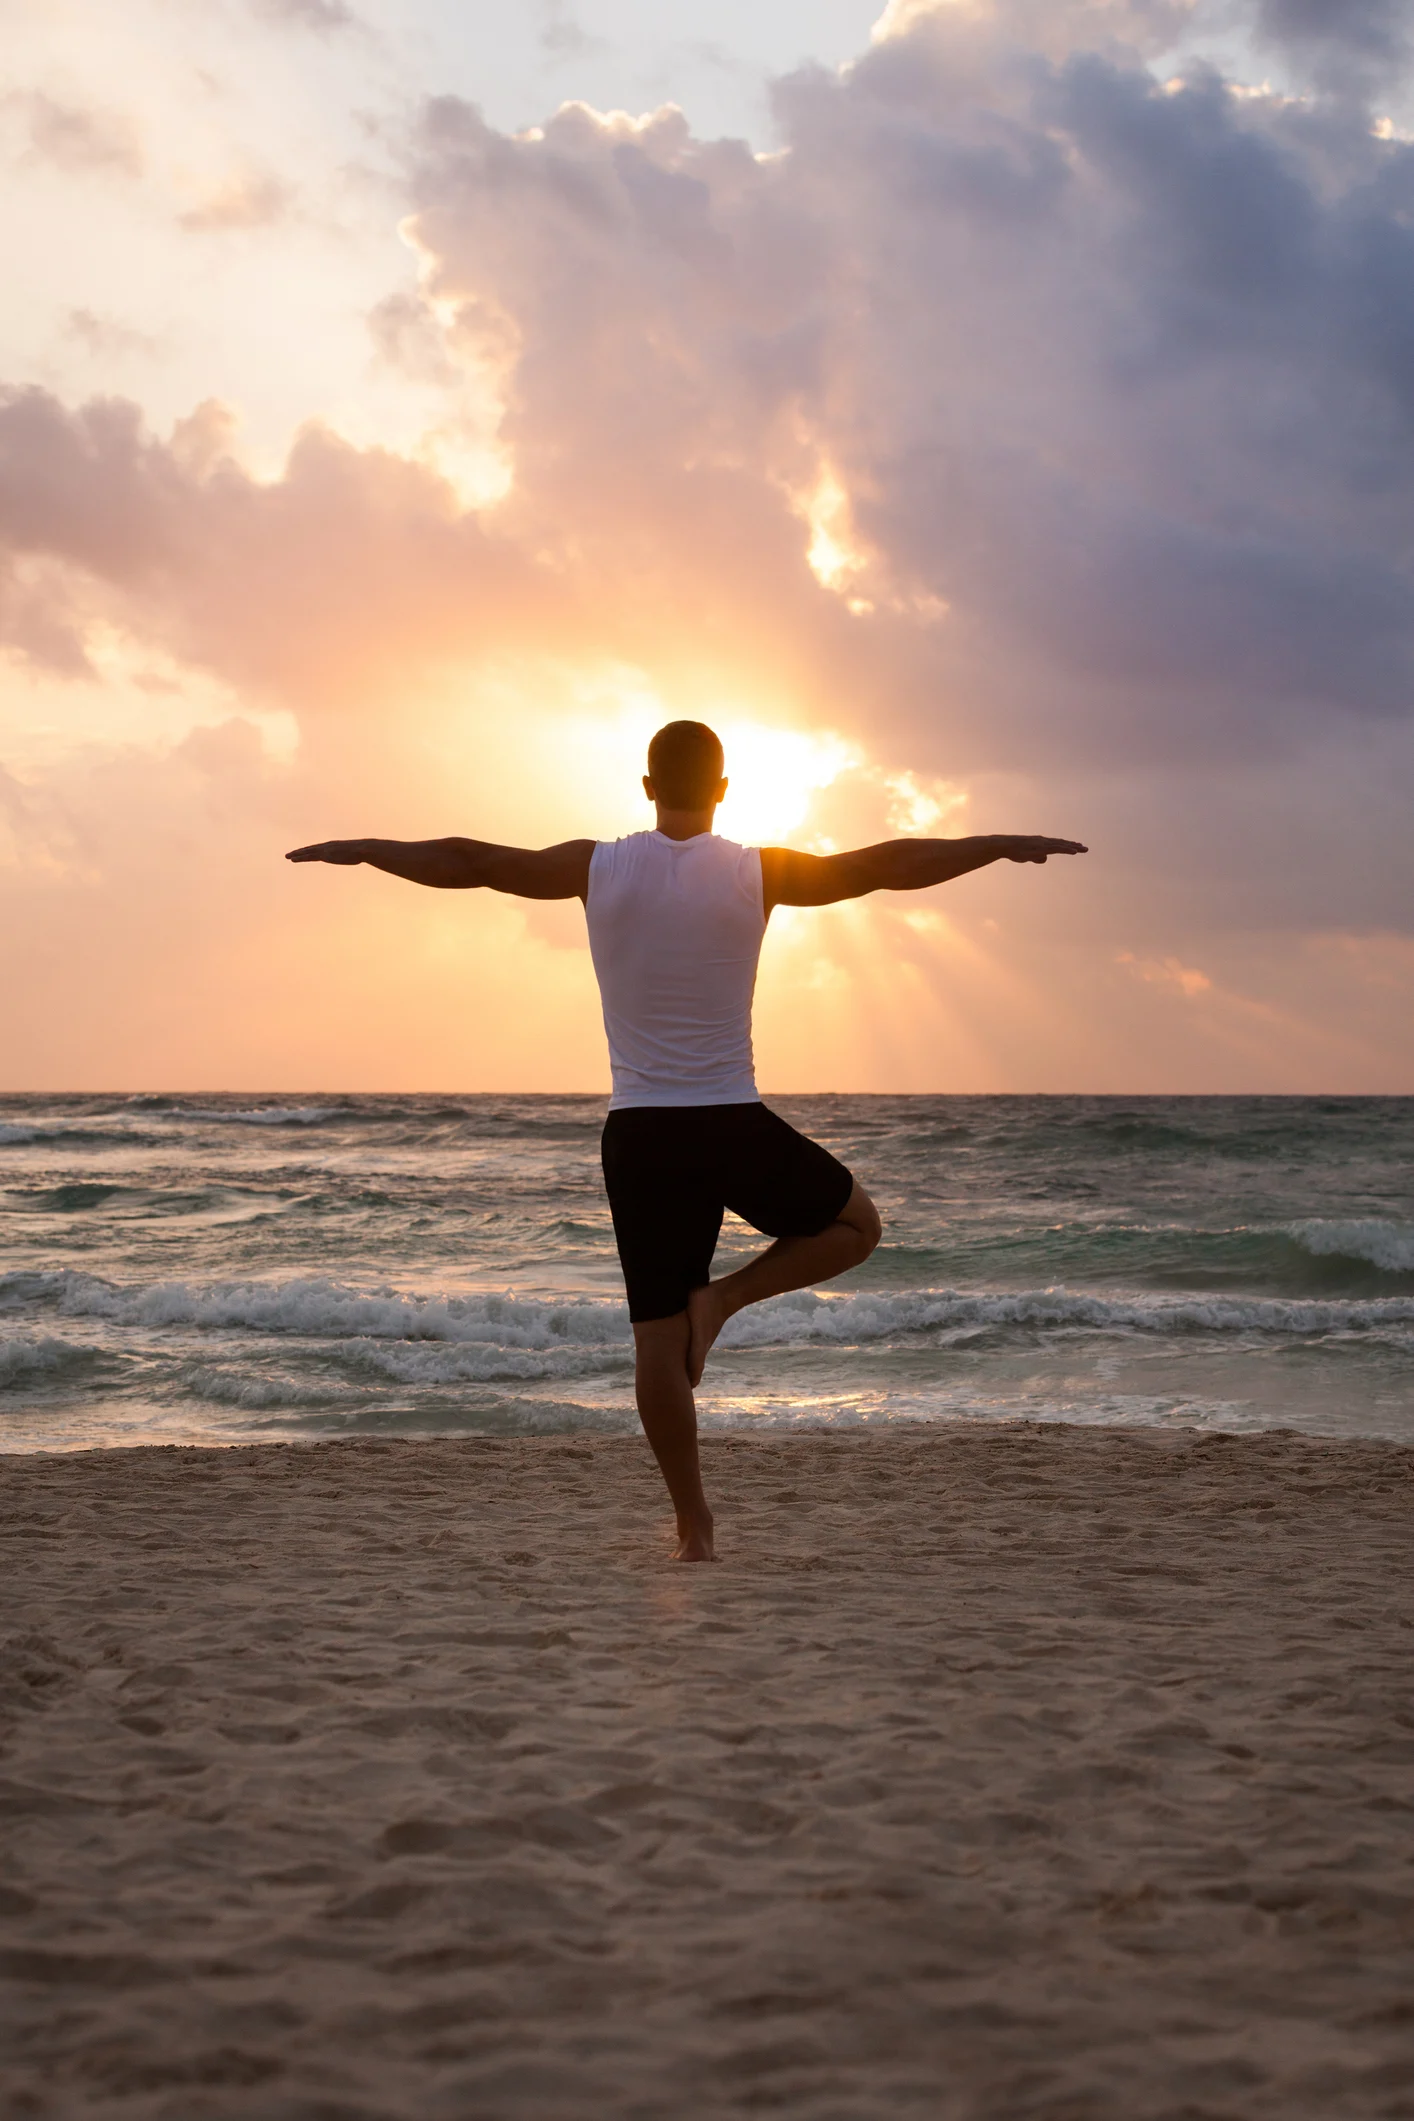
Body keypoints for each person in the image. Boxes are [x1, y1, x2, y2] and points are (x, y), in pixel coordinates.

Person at [287, 721, 1086, 1560]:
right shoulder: (755, 870)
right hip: (730, 1122)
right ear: (724, 788)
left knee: (657, 1347)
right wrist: (997, 844)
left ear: (645, 784)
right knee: (858, 1229)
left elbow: (469, 859)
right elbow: (884, 863)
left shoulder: (595, 866)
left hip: (640, 1134)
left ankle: (692, 1521)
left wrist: (367, 848)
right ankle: (728, 1300)